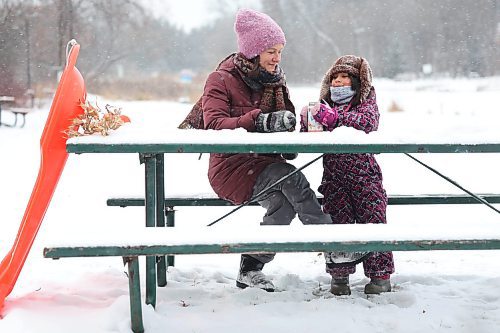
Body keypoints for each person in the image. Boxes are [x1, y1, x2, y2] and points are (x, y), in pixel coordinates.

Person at [198, 9, 333, 292]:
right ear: (252, 50)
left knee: (284, 205)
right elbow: (214, 124)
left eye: (280, 51)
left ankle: (250, 268)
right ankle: (330, 243)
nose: (276, 58)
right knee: (289, 177)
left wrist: (295, 124)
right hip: (231, 168)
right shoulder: (220, 79)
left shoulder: (275, 82)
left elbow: (281, 123)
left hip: (266, 164)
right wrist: (259, 120)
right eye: (271, 50)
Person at [300, 55, 395, 295]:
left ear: (356, 82)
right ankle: (339, 278)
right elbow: (314, 135)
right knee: (337, 224)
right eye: (335, 78)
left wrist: (337, 119)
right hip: (334, 178)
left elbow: (368, 122)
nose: (339, 82)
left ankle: (379, 276)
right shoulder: (324, 104)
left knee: (373, 222)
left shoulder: (365, 102)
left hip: (365, 176)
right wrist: (307, 124)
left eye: (345, 77)